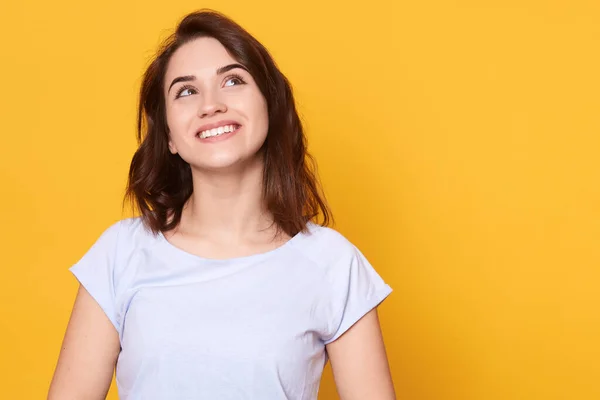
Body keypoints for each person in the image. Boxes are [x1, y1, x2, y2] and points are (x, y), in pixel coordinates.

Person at [48, 9, 395, 400]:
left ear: (270, 106)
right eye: (186, 90)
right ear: (169, 137)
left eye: (232, 80)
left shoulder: (334, 264)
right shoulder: (120, 254)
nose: (210, 105)